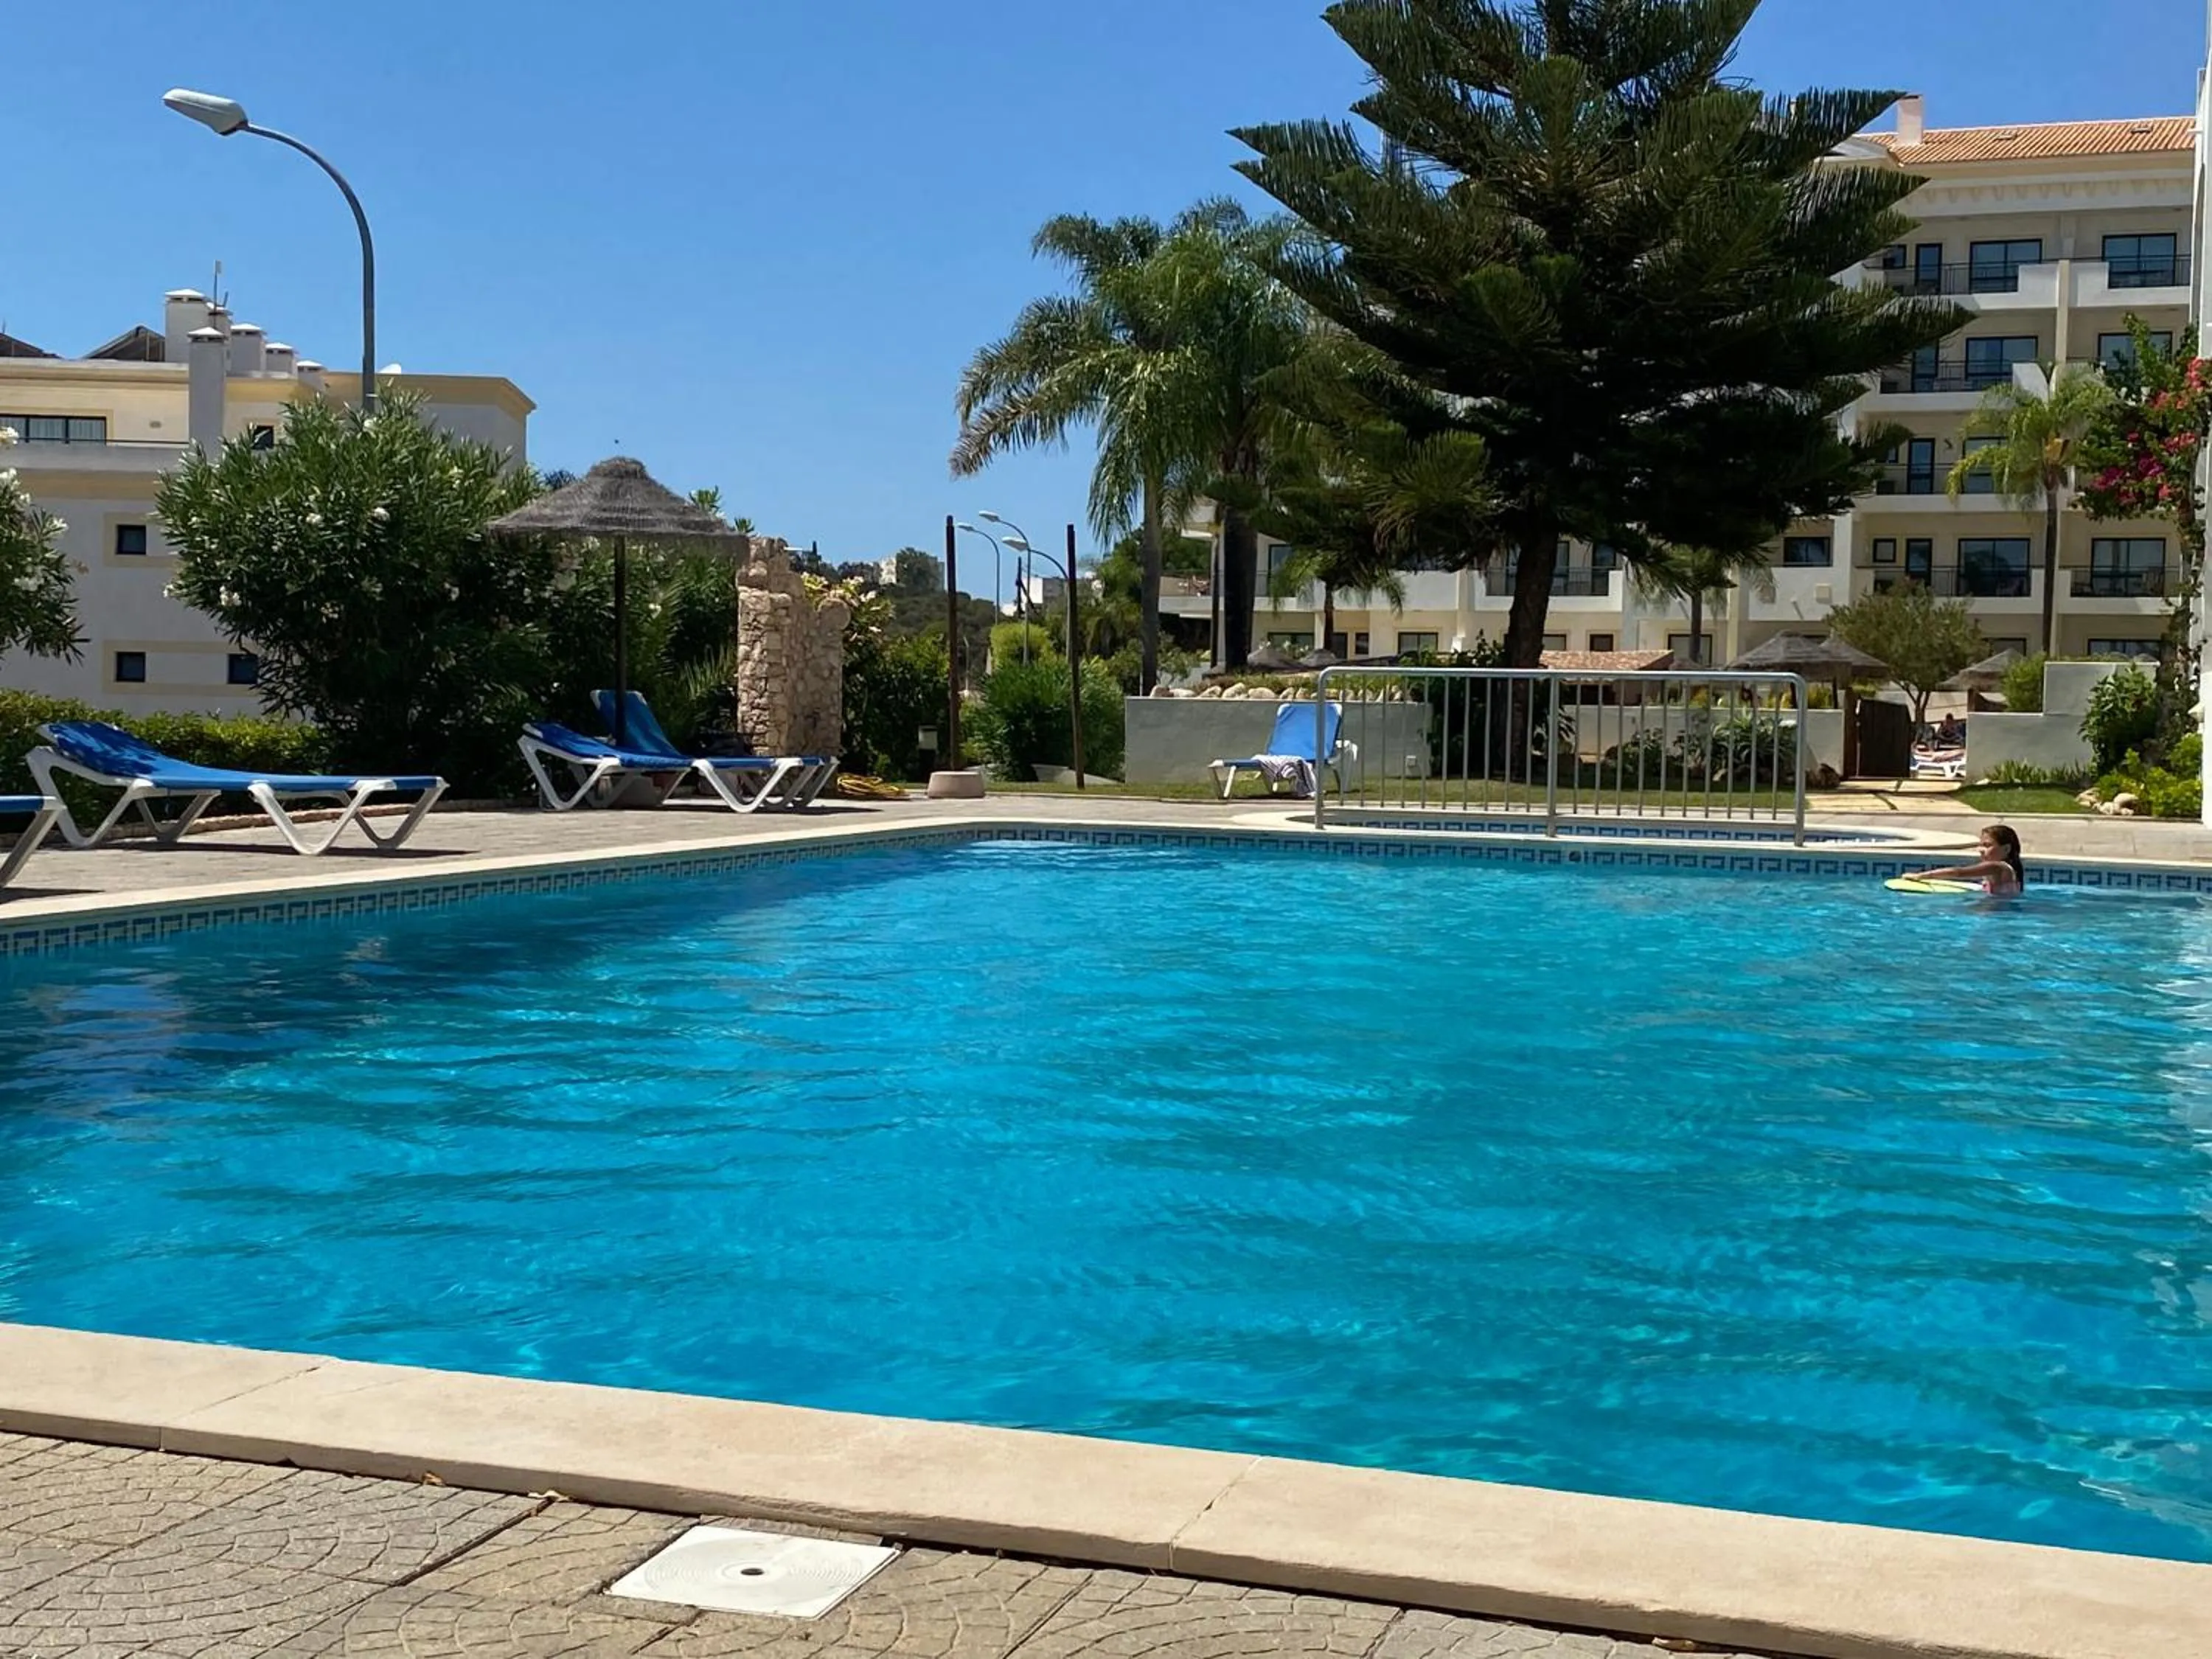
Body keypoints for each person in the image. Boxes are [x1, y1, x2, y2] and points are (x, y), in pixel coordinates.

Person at [1908, 824, 2024, 897]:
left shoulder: (1998, 867)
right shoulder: (2008, 869)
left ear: (2006, 849)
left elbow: (1958, 872)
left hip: (1998, 914)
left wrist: (1920, 876)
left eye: (1987, 846)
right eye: (1981, 845)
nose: (1981, 850)